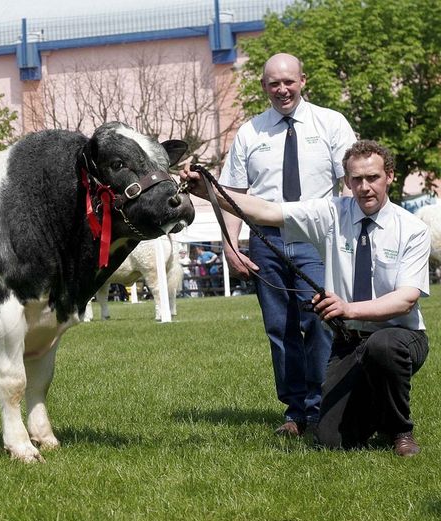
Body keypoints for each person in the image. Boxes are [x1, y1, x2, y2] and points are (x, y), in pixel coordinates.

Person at [184, 140, 431, 457]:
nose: (364, 187)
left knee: (382, 348)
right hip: (348, 341)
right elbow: (267, 210)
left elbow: (405, 300)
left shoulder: (412, 229)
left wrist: (347, 308)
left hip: (401, 336)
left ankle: (400, 430)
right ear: (346, 181)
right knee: (332, 441)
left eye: (373, 178)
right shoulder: (331, 213)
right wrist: (208, 192)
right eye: (356, 179)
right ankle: (376, 409)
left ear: (390, 177)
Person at [215, 52, 358, 436]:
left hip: (317, 238)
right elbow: (231, 193)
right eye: (274, 83)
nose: (282, 90)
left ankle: (323, 406)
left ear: (303, 81)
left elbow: (352, 182)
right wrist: (230, 244)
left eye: (288, 82)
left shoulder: (331, 123)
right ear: (264, 87)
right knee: (280, 329)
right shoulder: (250, 132)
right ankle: (295, 412)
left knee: (320, 322)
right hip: (266, 242)